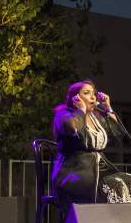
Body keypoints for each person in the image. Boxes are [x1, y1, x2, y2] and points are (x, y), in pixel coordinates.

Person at [51, 79, 121, 209]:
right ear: (76, 97)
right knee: (112, 185)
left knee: (129, 181)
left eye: (93, 93)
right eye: (87, 93)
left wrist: (108, 107)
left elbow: (116, 131)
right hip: (75, 173)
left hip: (98, 170)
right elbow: (73, 128)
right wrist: (81, 111)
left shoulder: (96, 118)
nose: (93, 96)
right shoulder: (64, 115)